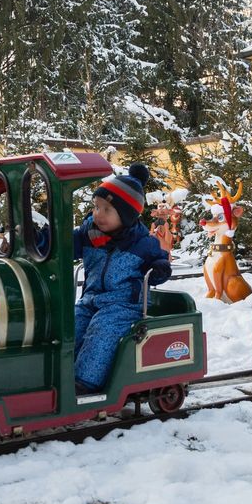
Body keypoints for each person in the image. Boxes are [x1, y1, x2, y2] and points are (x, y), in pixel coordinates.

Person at [72, 164, 171, 395]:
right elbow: (65, 245)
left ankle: (86, 381)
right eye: (96, 207)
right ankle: (64, 372)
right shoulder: (88, 234)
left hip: (123, 304)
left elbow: (159, 259)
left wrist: (160, 268)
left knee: (102, 329)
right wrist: (43, 241)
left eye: (107, 209)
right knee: (72, 325)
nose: (98, 214)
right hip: (91, 299)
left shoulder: (141, 243)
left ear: (126, 215)